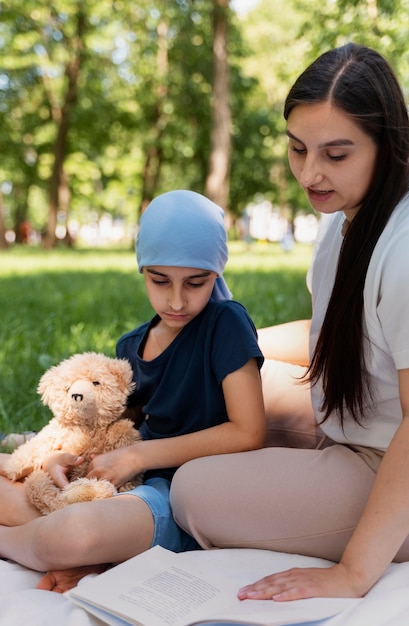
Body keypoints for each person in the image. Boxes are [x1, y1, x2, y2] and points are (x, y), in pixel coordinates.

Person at [170, 43, 409, 601]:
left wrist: (352, 574)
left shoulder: (403, 252)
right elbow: (341, 339)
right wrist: (226, 344)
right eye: (298, 149)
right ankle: (69, 447)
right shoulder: (341, 216)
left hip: (386, 463)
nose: (310, 171)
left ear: (387, 145)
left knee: (192, 490)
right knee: (224, 374)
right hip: (345, 424)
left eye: (336, 153)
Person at [0, 189, 266, 592]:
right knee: (32, 491)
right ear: (142, 271)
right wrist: (60, 458)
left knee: (74, 533)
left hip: (180, 501)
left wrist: (137, 455)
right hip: (123, 488)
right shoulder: (130, 347)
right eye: (159, 280)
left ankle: (48, 546)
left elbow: (249, 432)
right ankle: (86, 552)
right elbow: (108, 432)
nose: (176, 300)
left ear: (217, 273)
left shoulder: (225, 323)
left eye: (196, 282)